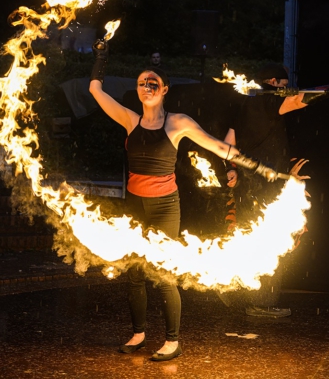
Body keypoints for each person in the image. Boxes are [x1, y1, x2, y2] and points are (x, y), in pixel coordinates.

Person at [89, 40, 278, 361]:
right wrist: (101, 57)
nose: (146, 87)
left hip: (165, 207)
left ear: (164, 90)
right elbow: (95, 90)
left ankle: (173, 341)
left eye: (153, 83)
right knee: (134, 274)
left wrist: (256, 166)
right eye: (142, 83)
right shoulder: (129, 120)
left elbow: (219, 147)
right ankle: (138, 333)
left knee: (162, 275)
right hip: (134, 206)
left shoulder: (177, 123)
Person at [223, 62, 310, 317]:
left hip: (248, 186)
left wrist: (232, 170)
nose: (285, 90)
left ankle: (235, 292)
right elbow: (297, 102)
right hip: (265, 189)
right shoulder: (267, 100)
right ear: (273, 83)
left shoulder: (242, 106)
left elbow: (228, 145)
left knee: (251, 237)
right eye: (283, 86)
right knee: (270, 240)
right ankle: (262, 303)